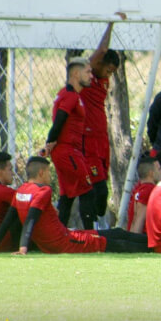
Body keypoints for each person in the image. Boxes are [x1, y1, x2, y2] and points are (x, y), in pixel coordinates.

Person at [0, 157, 149, 255]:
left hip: (65, 237)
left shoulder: (21, 191)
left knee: (116, 233)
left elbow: (8, 220)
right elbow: (31, 218)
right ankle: (155, 247)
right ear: (41, 173)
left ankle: (153, 243)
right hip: (64, 242)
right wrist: (23, 249)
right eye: (48, 172)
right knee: (115, 242)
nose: (50, 176)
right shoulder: (43, 191)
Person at [81, 12, 126, 230]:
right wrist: (112, 23)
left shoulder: (103, 80)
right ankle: (94, 228)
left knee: (102, 188)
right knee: (95, 188)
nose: (109, 74)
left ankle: (98, 226)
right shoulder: (87, 76)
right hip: (87, 140)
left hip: (101, 140)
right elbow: (101, 51)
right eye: (108, 69)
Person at [44, 57, 96, 230]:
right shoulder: (70, 95)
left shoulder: (69, 94)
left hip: (67, 151)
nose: (91, 76)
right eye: (88, 72)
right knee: (87, 190)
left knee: (67, 196)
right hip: (68, 152)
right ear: (75, 73)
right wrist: (49, 143)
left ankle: (58, 235)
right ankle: (92, 236)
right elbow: (59, 120)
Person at [127, 156, 161, 234]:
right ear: (151, 173)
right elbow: (139, 220)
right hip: (142, 240)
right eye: (159, 169)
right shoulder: (149, 190)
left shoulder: (139, 189)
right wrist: (134, 242)